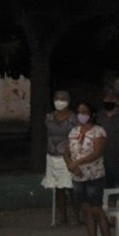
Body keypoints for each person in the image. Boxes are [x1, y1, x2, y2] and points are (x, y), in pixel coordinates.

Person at [63, 101, 114, 236]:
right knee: (86, 210)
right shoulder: (73, 132)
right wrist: (71, 165)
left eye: (84, 112)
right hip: (78, 176)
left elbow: (97, 152)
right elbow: (66, 152)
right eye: (79, 111)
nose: (81, 115)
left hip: (94, 175)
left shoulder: (99, 132)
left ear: (91, 114)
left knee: (97, 209)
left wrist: (78, 162)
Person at [44, 89, 77, 227]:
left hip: (68, 155)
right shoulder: (50, 117)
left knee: (72, 187)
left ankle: (77, 215)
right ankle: (62, 216)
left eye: (63, 99)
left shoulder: (73, 118)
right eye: (57, 98)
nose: (60, 101)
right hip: (52, 156)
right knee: (58, 187)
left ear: (68, 101)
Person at [97, 90, 119, 191]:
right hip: (104, 158)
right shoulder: (99, 116)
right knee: (107, 189)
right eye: (106, 99)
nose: (108, 101)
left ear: (117, 101)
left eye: (111, 99)